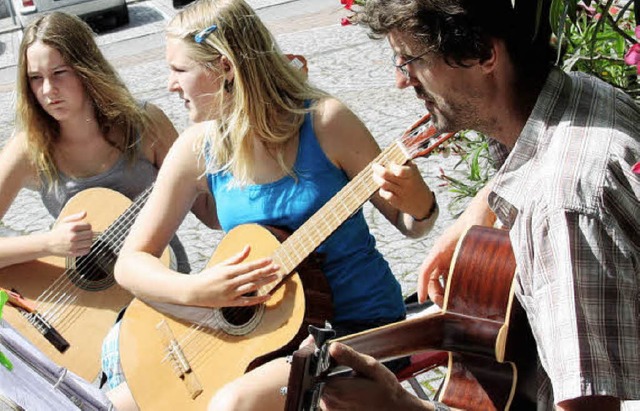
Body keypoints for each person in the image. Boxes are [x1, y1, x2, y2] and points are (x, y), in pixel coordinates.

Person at [313, 0, 640, 410]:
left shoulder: (561, 211)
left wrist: (397, 403)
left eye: (409, 60)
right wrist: (479, 209)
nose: (401, 81)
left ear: (483, 54)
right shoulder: (582, 95)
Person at [112, 0, 438, 409]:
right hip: (263, 339)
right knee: (124, 402)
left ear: (225, 68)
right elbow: (130, 263)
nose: (169, 85)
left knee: (234, 404)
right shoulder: (199, 147)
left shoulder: (325, 122)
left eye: (179, 70)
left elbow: (412, 223)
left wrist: (418, 203)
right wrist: (199, 289)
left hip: (359, 331)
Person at [0, 10, 212, 408]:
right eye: (35, 78)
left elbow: (211, 214)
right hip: (79, 317)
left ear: (86, 68)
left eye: (59, 73)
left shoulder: (143, 123)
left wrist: (221, 165)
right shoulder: (29, 147)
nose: (48, 90)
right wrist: (50, 242)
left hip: (160, 294)